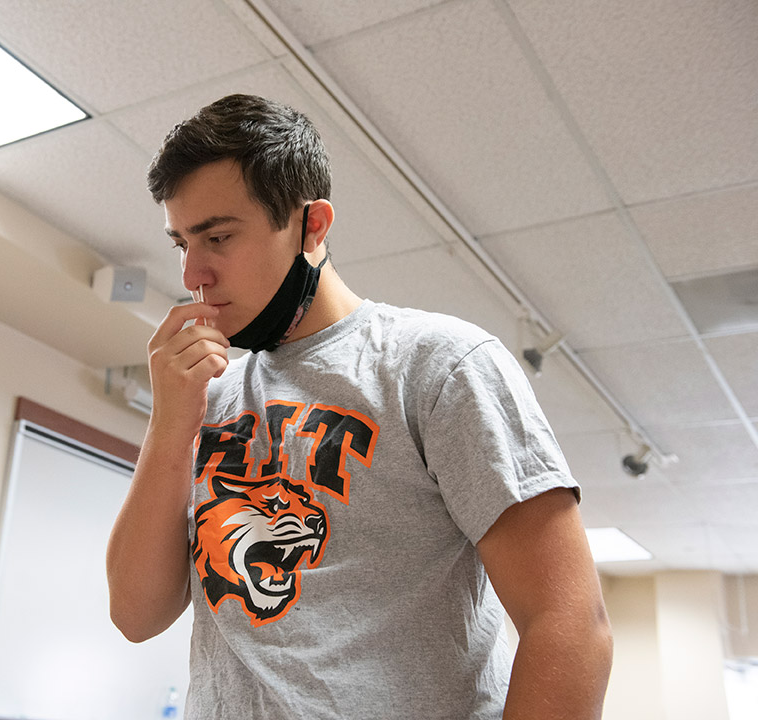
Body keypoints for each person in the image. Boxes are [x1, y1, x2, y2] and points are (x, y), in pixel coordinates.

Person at [106, 94, 612, 719]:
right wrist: (171, 425)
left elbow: (569, 621)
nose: (193, 274)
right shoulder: (211, 396)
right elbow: (135, 613)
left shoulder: (440, 365)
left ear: (311, 225)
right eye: (181, 242)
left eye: (217, 237)